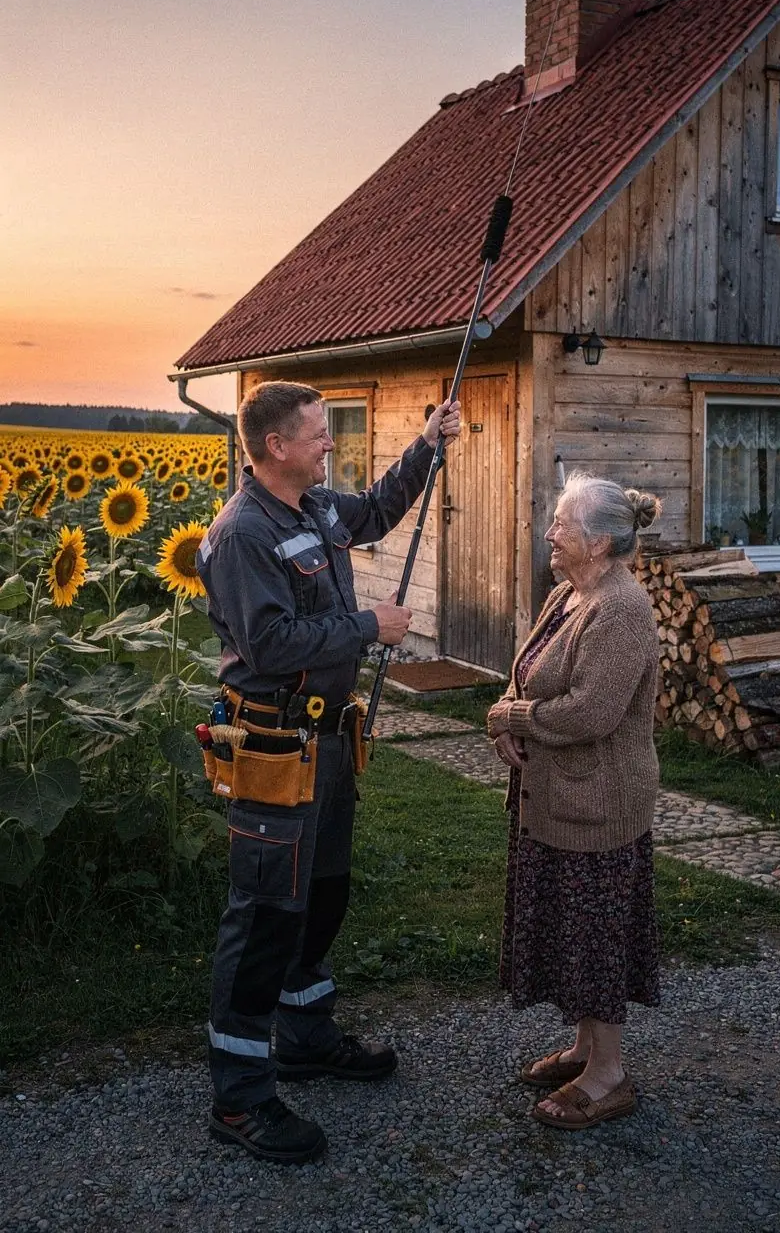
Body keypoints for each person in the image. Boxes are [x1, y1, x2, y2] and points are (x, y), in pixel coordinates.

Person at [198, 380, 460, 1163]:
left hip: (330, 746)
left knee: (322, 896)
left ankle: (304, 1037)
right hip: (274, 751)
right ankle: (239, 1100)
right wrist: (366, 626)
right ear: (276, 445)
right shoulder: (244, 533)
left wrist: (428, 446)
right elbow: (272, 645)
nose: (329, 444)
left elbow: (376, 510)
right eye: (317, 433)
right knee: (265, 916)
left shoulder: (311, 509)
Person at [487, 471, 661, 1131]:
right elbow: (524, 673)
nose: (550, 533)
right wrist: (508, 717)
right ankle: (587, 1050)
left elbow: (591, 712)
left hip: (600, 803)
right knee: (571, 927)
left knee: (595, 935)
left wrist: (513, 717)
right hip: (556, 795)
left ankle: (610, 1076)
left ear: (598, 541)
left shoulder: (621, 608)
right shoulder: (569, 593)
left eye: (561, 524)